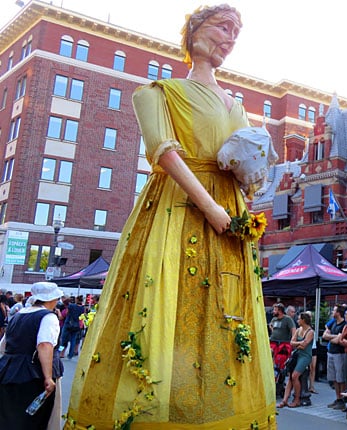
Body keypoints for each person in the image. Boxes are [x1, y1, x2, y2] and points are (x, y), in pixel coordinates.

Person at [64, 5, 276, 429]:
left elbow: (245, 157)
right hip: (181, 210)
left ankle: (213, 404)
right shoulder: (158, 93)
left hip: (230, 214)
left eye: (236, 32)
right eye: (223, 26)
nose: (230, 38)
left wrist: (251, 180)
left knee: (224, 312)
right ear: (195, 30)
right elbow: (166, 153)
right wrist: (211, 206)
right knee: (169, 300)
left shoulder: (234, 102)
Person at [0, 282, 64, 429]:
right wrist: (48, 377)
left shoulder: (18, 314)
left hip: (9, 370)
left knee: (9, 417)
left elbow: (4, 345)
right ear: (51, 299)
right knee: (32, 419)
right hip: (33, 373)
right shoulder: (48, 317)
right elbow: (44, 345)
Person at [277, 312, 313, 409]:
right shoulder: (298, 330)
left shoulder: (310, 332)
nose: (297, 321)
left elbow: (304, 345)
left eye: (299, 319)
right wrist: (300, 343)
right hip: (297, 354)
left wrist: (298, 343)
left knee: (294, 376)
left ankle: (297, 399)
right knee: (290, 378)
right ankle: (285, 400)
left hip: (305, 356)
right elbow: (292, 343)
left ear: (303, 320)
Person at [322, 303, 347, 410]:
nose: (332, 312)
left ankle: (342, 399)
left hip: (339, 354)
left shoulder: (344, 325)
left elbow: (339, 340)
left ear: (338, 313)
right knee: (334, 378)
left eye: (334, 310)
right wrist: (334, 337)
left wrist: (331, 337)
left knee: (340, 377)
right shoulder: (333, 323)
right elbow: (324, 335)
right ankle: (337, 398)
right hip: (331, 352)